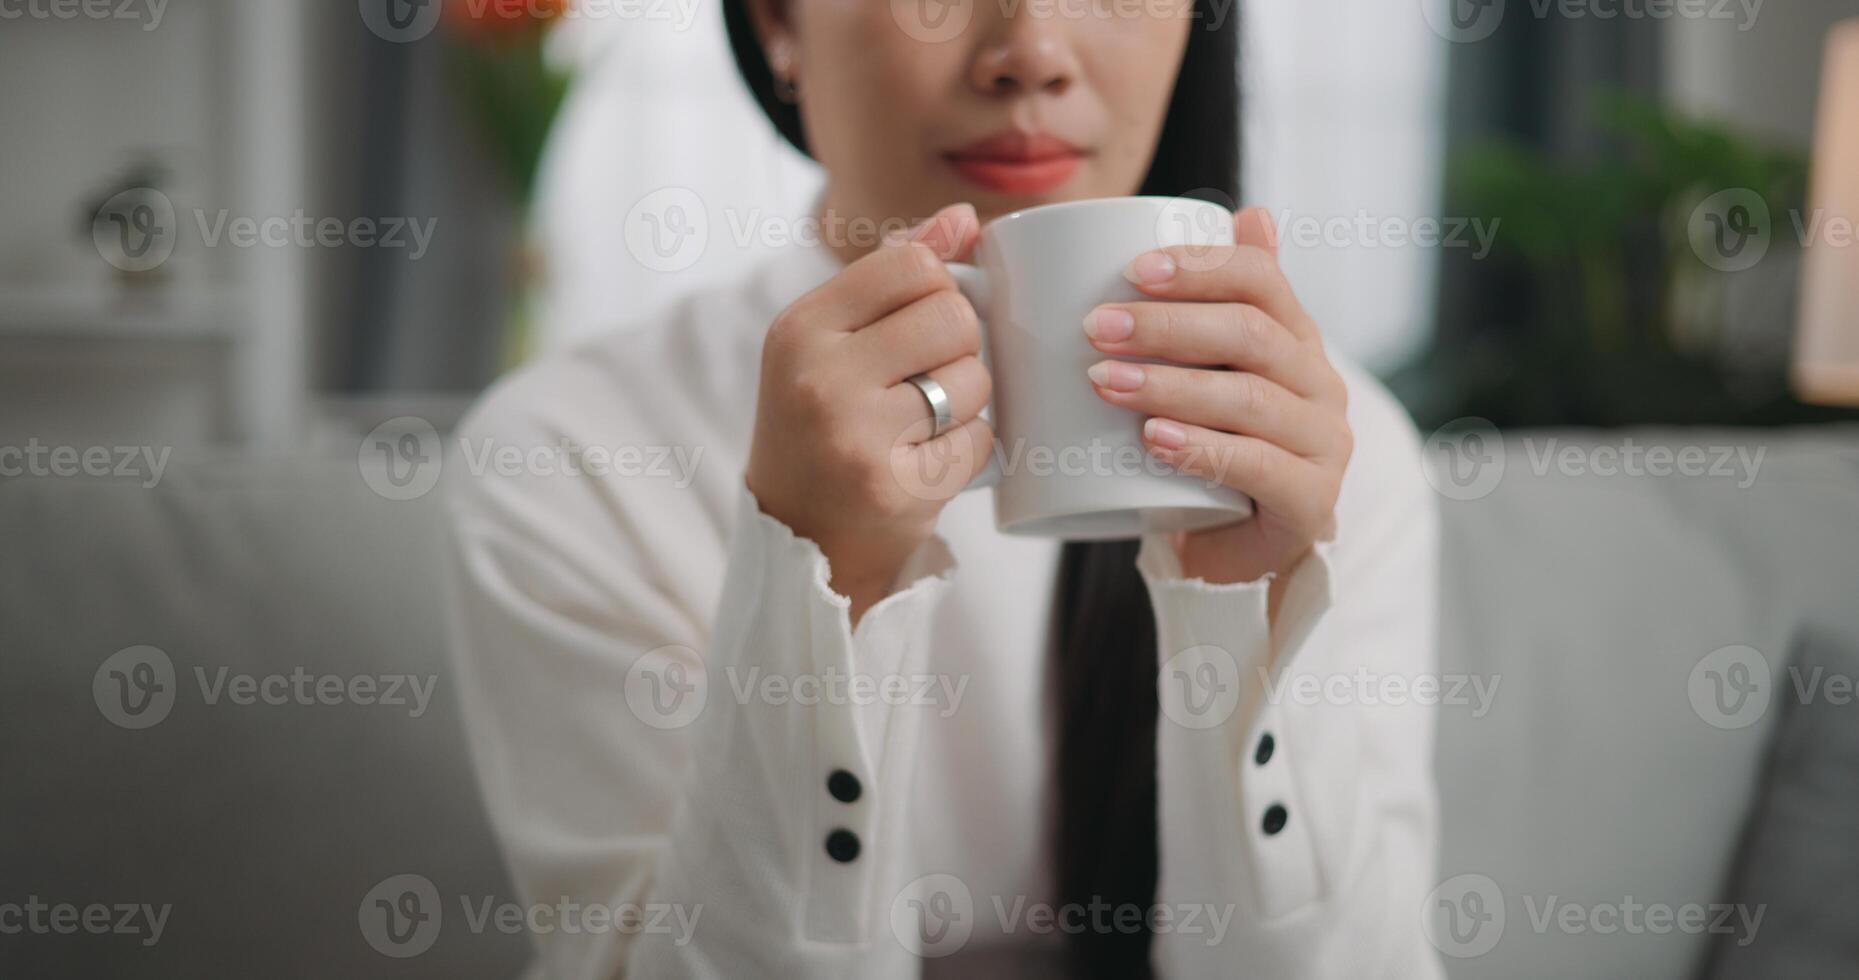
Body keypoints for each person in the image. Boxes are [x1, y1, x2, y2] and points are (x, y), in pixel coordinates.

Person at [443, 0, 1442, 975]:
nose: (1032, 50)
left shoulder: (1326, 449)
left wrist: (1249, 613)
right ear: (775, 24)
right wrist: (816, 580)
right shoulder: (566, 457)